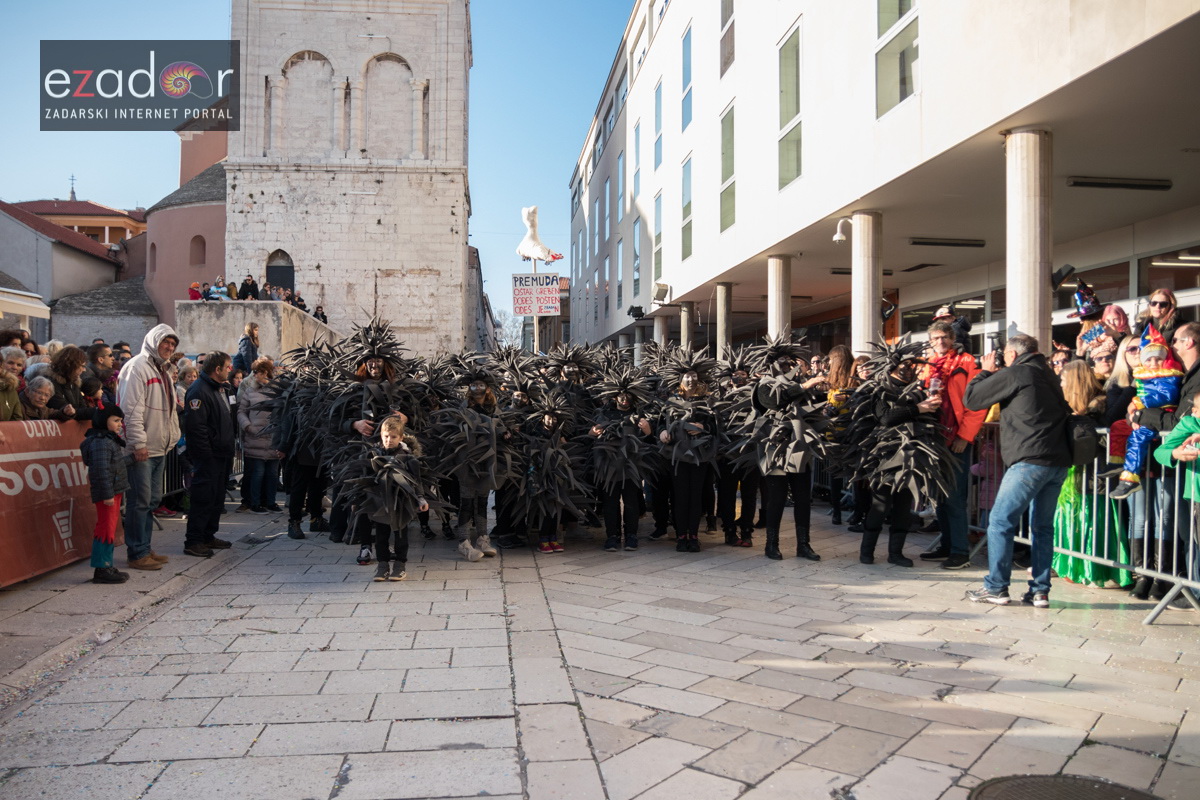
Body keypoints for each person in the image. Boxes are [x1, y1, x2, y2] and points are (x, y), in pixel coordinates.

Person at [964, 334, 1071, 607]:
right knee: (1042, 528)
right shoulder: (1047, 373)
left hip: (1028, 460)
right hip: (1056, 461)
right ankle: (1040, 591)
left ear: (1011, 354)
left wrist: (985, 371)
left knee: (1000, 522)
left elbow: (973, 399)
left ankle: (997, 587)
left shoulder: (1018, 372)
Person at [919, 321, 987, 570]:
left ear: (952, 337)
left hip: (956, 438)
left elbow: (977, 403)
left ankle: (960, 552)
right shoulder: (927, 365)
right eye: (935, 338)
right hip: (933, 437)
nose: (940, 342)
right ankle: (948, 545)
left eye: (944, 337)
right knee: (940, 496)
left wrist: (965, 436)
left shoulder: (967, 362)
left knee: (956, 496)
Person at [116, 324, 181, 572]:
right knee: (139, 501)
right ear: (154, 341)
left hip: (159, 447)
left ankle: (144, 547)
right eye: (166, 342)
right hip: (142, 448)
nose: (169, 347)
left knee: (151, 499)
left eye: (173, 345)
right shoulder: (137, 368)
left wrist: (172, 437)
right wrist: (138, 443)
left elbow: (170, 409)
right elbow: (131, 410)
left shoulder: (163, 370)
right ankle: (137, 552)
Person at [1107, 338, 1183, 500]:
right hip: (1144, 416)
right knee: (1118, 427)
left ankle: (1130, 478)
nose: (1154, 363)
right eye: (1149, 359)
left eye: (1158, 358)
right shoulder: (1144, 376)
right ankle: (1117, 462)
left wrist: (1137, 403)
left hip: (1159, 418)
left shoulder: (1169, 375)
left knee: (1137, 437)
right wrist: (1133, 414)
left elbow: (1165, 395)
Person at [183, 351, 236, 557]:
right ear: (217, 369)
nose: (230, 370)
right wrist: (205, 456)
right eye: (227, 367)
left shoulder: (220, 388)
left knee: (216, 498)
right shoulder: (199, 391)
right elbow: (197, 428)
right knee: (203, 497)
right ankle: (194, 540)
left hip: (222, 453)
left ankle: (208, 535)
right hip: (209, 456)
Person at [80, 405, 132, 584]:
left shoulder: (107, 440)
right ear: (104, 421)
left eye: (120, 421)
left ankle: (106, 564)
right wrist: (107, 494)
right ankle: (102, 567)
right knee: (105, 528)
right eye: (116, 421)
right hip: (107, 493)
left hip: (112, 491)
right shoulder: (101, 442)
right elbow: (100, 470)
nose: (119, 425)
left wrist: (132, 459)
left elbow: (114, 464)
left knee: (109, 528)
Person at [238, 357, 279, 514]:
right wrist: (248, 426)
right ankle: (255, 503)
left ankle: (271, 502)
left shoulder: (278, 391)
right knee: (258, 473)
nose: (256, 375)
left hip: (272, 438)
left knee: (272, 474)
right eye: (255, 372)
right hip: (255, 438)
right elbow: (241, 411)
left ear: (267, 373)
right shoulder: (250, 391)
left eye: (259, 372)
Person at [47, 345, 97, 423]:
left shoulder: (73, 383)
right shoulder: (50, 384)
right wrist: (97, 411)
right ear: (70, 365)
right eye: (82, 366)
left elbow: (82, 408)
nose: (84, 370)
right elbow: (67, 410)